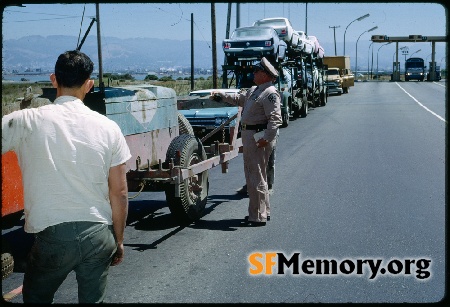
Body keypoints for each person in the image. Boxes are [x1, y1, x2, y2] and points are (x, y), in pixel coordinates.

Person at [1, 50, 131, 303]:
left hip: (53, 237)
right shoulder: (109, 128)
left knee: (37, 297)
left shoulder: (26, 120)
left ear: (53, 80)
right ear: (89, 85)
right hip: (99, 235)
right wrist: (119, 240)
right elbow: (120, 192)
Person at [210, 57, 282, 226]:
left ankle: (257, 216)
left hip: (258, 137)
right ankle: (263, 211)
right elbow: (238, 98)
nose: (253, 74)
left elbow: (275, 119)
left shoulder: (270, 93)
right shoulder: (256, 90)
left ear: (265, 74)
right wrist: (221, 96)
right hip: (251, 135)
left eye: (256, 71)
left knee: (255, 176)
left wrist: (266, 138)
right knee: (257, 175)